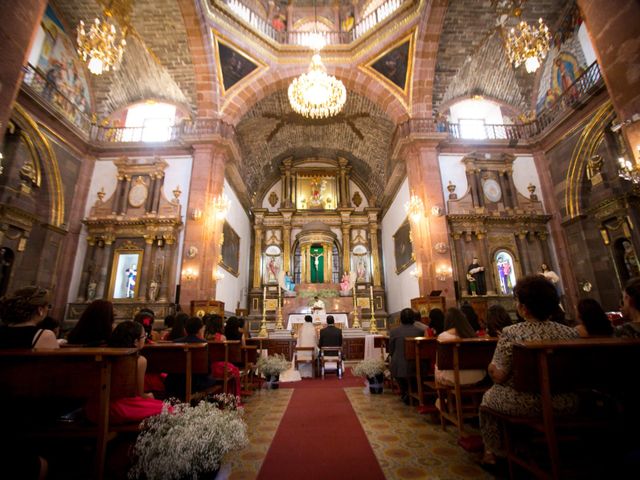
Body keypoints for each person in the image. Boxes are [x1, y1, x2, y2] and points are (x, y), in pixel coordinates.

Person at [479, 275, 580, 465]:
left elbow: (499, 376)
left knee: (488, 399)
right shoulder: (571, 332)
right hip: (566, 400)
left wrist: (490, 368)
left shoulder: (512, 332)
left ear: (523, 307)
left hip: (525, 402)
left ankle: (493, 452)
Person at [89, 321, 164, 424]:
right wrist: (149, 396)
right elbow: (139, 393)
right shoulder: (139, 360)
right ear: (135, 342)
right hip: (120, 408)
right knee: (169, 409)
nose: (145, 338)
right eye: (143, 336)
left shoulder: (103, 354)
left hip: (93, 407)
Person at [435, 308, 486, 387]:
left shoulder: (442, 337)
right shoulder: (471, 334)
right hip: (476, 377)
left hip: (452, 378)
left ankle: (442, 398)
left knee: (436, 366)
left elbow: (439, 363)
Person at [389, 308, 424, 405]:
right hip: (417, 364)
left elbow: (391, 349)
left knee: (395, 363)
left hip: (400, 366)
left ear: (401, 319)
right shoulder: (420, 331)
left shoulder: (394, 332)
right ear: (413, 318)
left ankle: (405, 392)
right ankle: (412, 391)